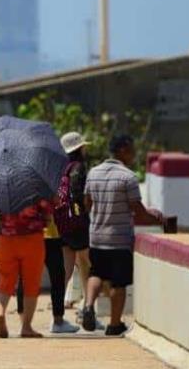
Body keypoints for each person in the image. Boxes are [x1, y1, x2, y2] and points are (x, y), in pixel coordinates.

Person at [81, 134, 163, 336]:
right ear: (123, 150)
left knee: (96, 273)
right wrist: (157, 218)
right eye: (132, 150)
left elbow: (87, 204)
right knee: (119, 282)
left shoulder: (93, 173)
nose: (134, 154)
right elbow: (138, 210)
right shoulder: (128, 177)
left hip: (97, 236)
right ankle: (114, 324)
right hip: (119, 238)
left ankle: (89, 305)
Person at [0, 197, 53, 338]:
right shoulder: (36, 190)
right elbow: (47, 215)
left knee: (5, 281)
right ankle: (26, 327)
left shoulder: (3, 189)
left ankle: (0, 313)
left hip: (6, 239)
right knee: (31, 283)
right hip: (32, 239)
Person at [55, 131, 92, 314]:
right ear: (79, 148)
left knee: (66, 270)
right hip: (77, 223)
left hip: (62, 223)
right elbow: (78, 195)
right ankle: (87, 308)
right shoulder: (78, 167)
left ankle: (57, 312)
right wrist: (86, 212)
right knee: (86, 264)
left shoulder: (61, 168)